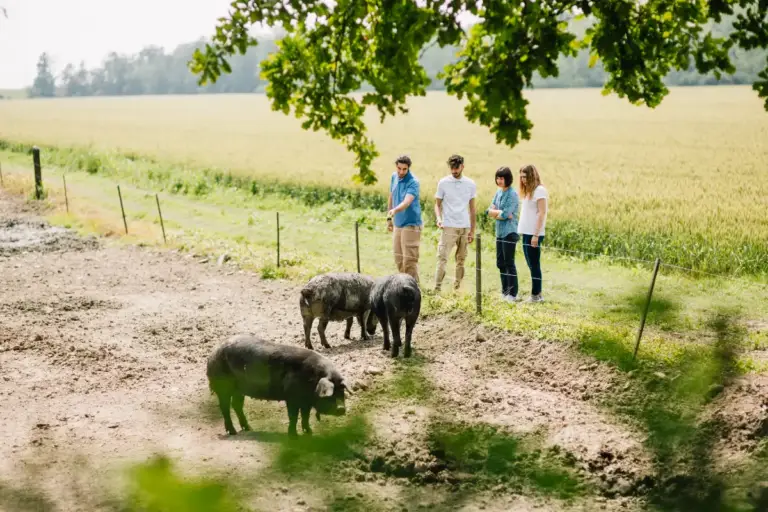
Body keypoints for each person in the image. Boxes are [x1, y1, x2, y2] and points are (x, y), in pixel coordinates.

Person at [434, 154, 477, 292]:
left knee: (461, 260)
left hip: (464, 226)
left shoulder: (470, 184)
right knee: (442, 258)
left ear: (462, 166)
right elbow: (437, 204)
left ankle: (457, 289)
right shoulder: (443, 183)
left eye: (456, 168)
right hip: (449, 226)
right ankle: (437, 288)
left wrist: (472, 230)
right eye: (452, 168)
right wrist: (439, 219)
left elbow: (472, 208)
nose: (454, 171)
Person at [486, 166, 520, 303]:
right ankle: (504, 291)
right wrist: (496, 213)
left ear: (508, 179)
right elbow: (490, 209)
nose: (499, 181)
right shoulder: (498, 192)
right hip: (499, 233)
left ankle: (513, 293)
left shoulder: (512, 194)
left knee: (509, 263)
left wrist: (496, 213)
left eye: (502, 178)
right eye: (498, 178)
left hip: (509, 232)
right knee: (500, 263)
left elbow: (505, 214)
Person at [387, 155, 423, 284]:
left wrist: (395, 210)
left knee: (409, 260)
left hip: (411, 223)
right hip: (398, 223)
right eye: (399, 168)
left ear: (408, 168)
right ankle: (403, 286)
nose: (401, 172)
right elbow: (391, 196)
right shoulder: (394, 177)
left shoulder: (413, 182)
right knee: (398, 258)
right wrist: (389, 218)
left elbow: (407, 202)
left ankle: (414, 288)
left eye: (404, 169)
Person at [517, 164, 548, 303]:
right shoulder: (527, 191)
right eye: (521, 177)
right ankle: (537, 294)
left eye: (525, 176)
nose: (523, 179)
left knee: (534, 264)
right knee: (530, 264)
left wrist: (536, 235)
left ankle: (536, 295)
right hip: (526, 232)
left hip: (534, 233)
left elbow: (542, 213)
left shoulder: (539, 190)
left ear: (532, 176)